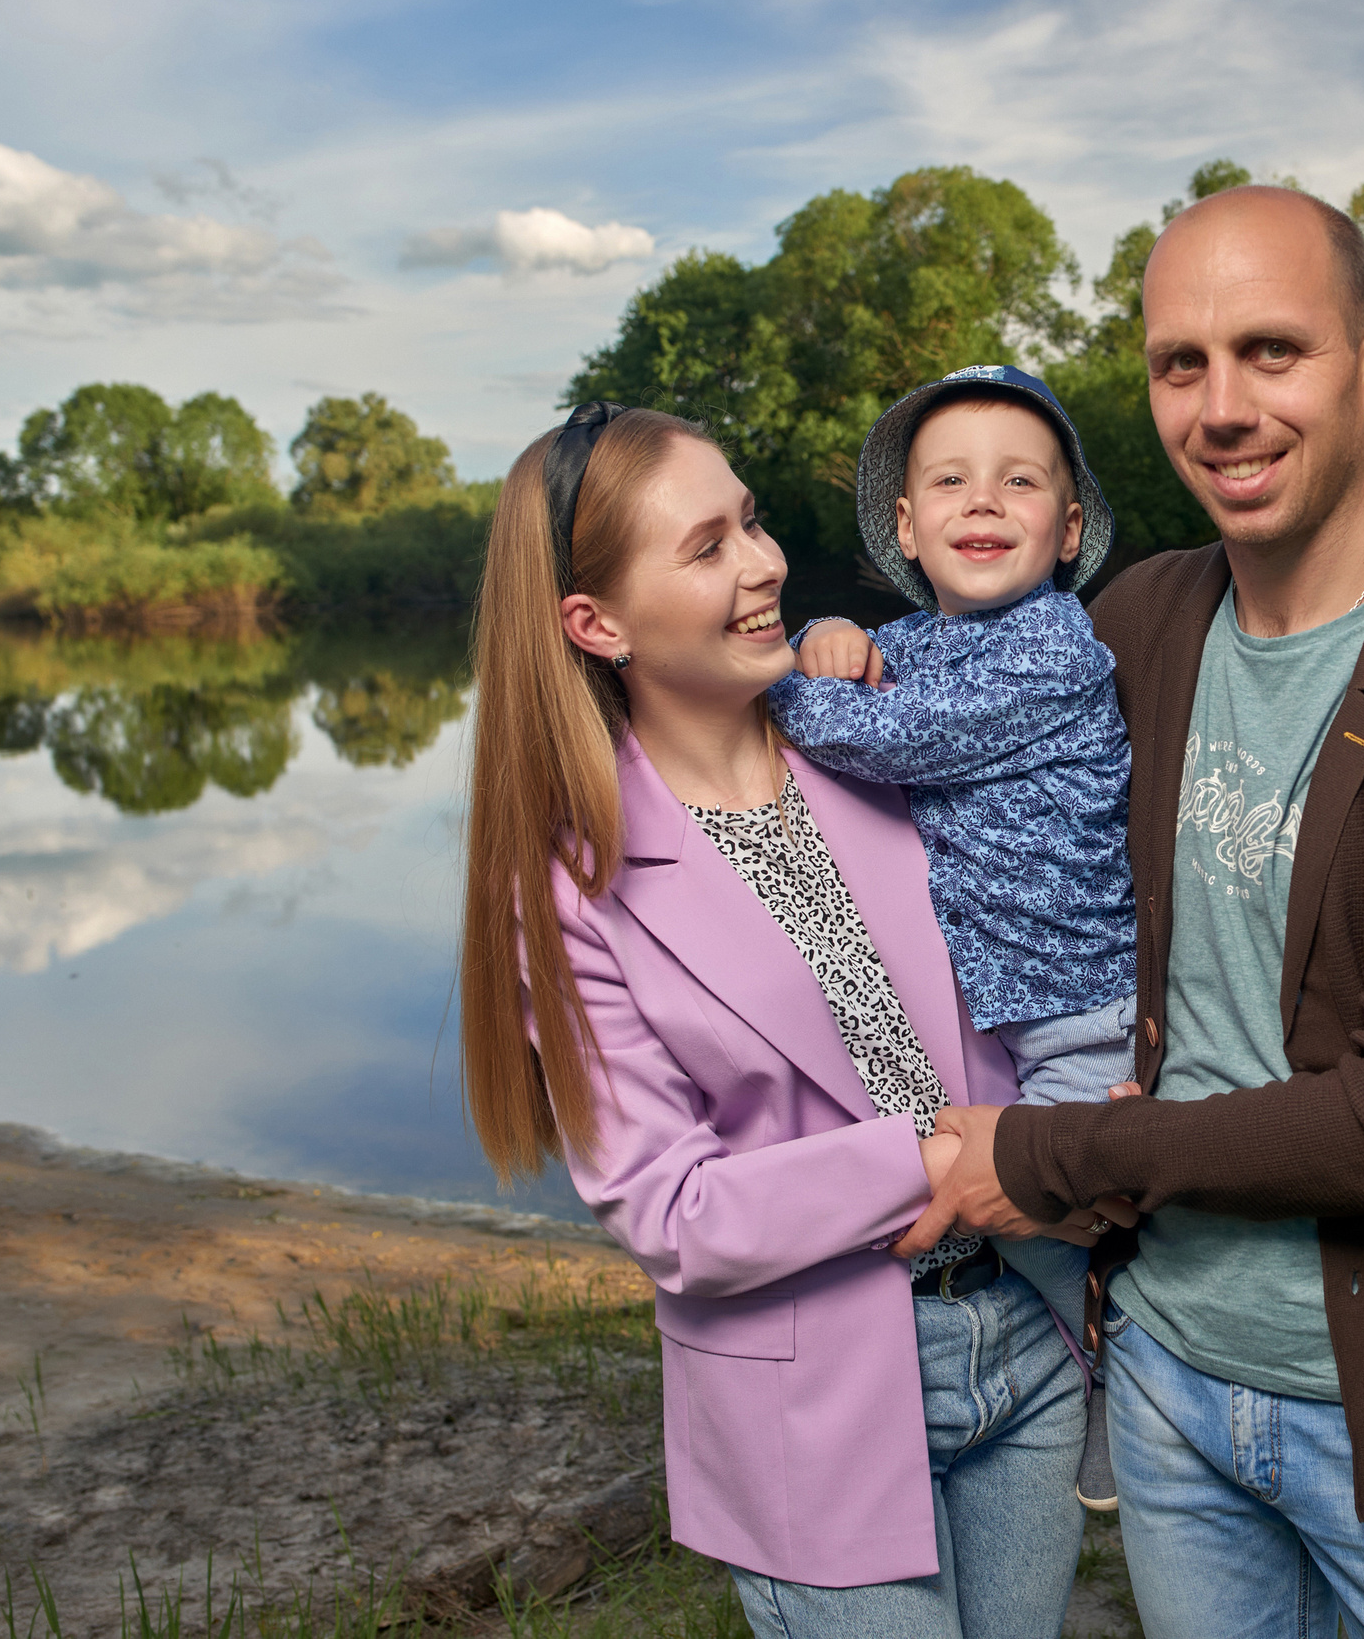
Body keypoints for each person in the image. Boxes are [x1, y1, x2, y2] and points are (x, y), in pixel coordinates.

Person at [899, 186, 1364, 1638]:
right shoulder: (1135, 623)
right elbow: (952, 710)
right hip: (1159, 1381)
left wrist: (1044, 1153)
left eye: (1273, 352)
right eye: (1180, 364)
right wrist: (843, 659)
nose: (1222, 408)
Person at [456, 402, 1126, 1638]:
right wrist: (937, 1156)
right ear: (594, 622)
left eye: (751, 519)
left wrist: (1084, 1137)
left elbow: (1041, 929)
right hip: (816, 1399)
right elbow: (673, 1211)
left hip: (1028, 1337)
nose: (765, 561)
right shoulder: (569, 882)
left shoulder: (881, 735)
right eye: (707, 546)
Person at [767, 365, 1139, 1509]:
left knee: (1057, 1217)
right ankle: (1096, 1366)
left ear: (1067, 529)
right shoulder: (920, 642)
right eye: (951, 482)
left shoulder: (1053, 647)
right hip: (989, 1013)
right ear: (907, 528)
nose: (983, 501)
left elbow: (879, 737)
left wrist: (771, 677)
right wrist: (828, 627)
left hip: (1077, 999)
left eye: (1019, 481)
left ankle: (1120, 1384)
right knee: (1018, 1210)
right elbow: (869, 668)